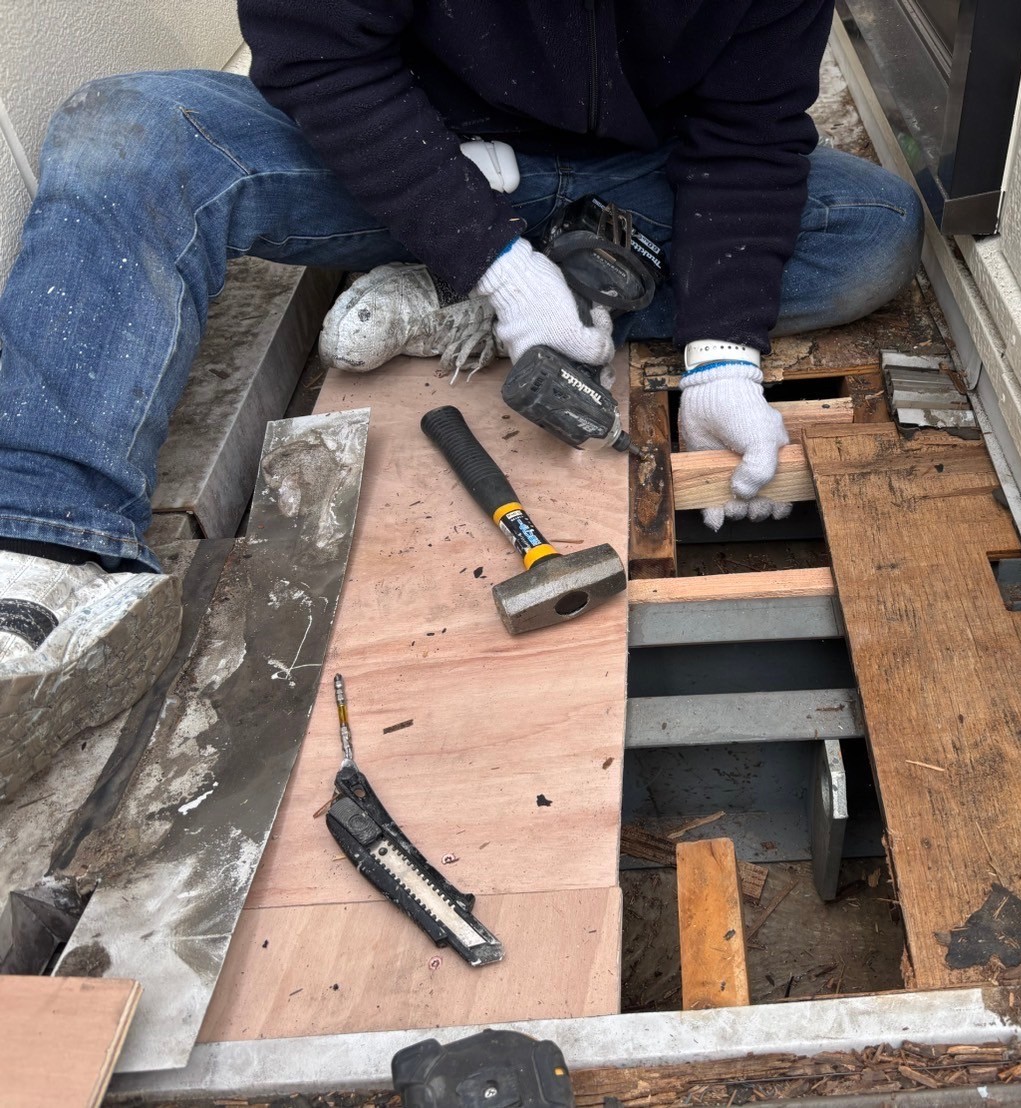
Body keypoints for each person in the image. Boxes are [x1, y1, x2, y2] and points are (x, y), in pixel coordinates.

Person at [0, 0, 923, 795]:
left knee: (873, 232)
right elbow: (316, 54)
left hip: (625, 176)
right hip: (407, 150)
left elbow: (747, 135)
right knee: (130, 129)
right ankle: (45, 557)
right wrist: (499, 264)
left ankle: (453, 295)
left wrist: (723, 355)